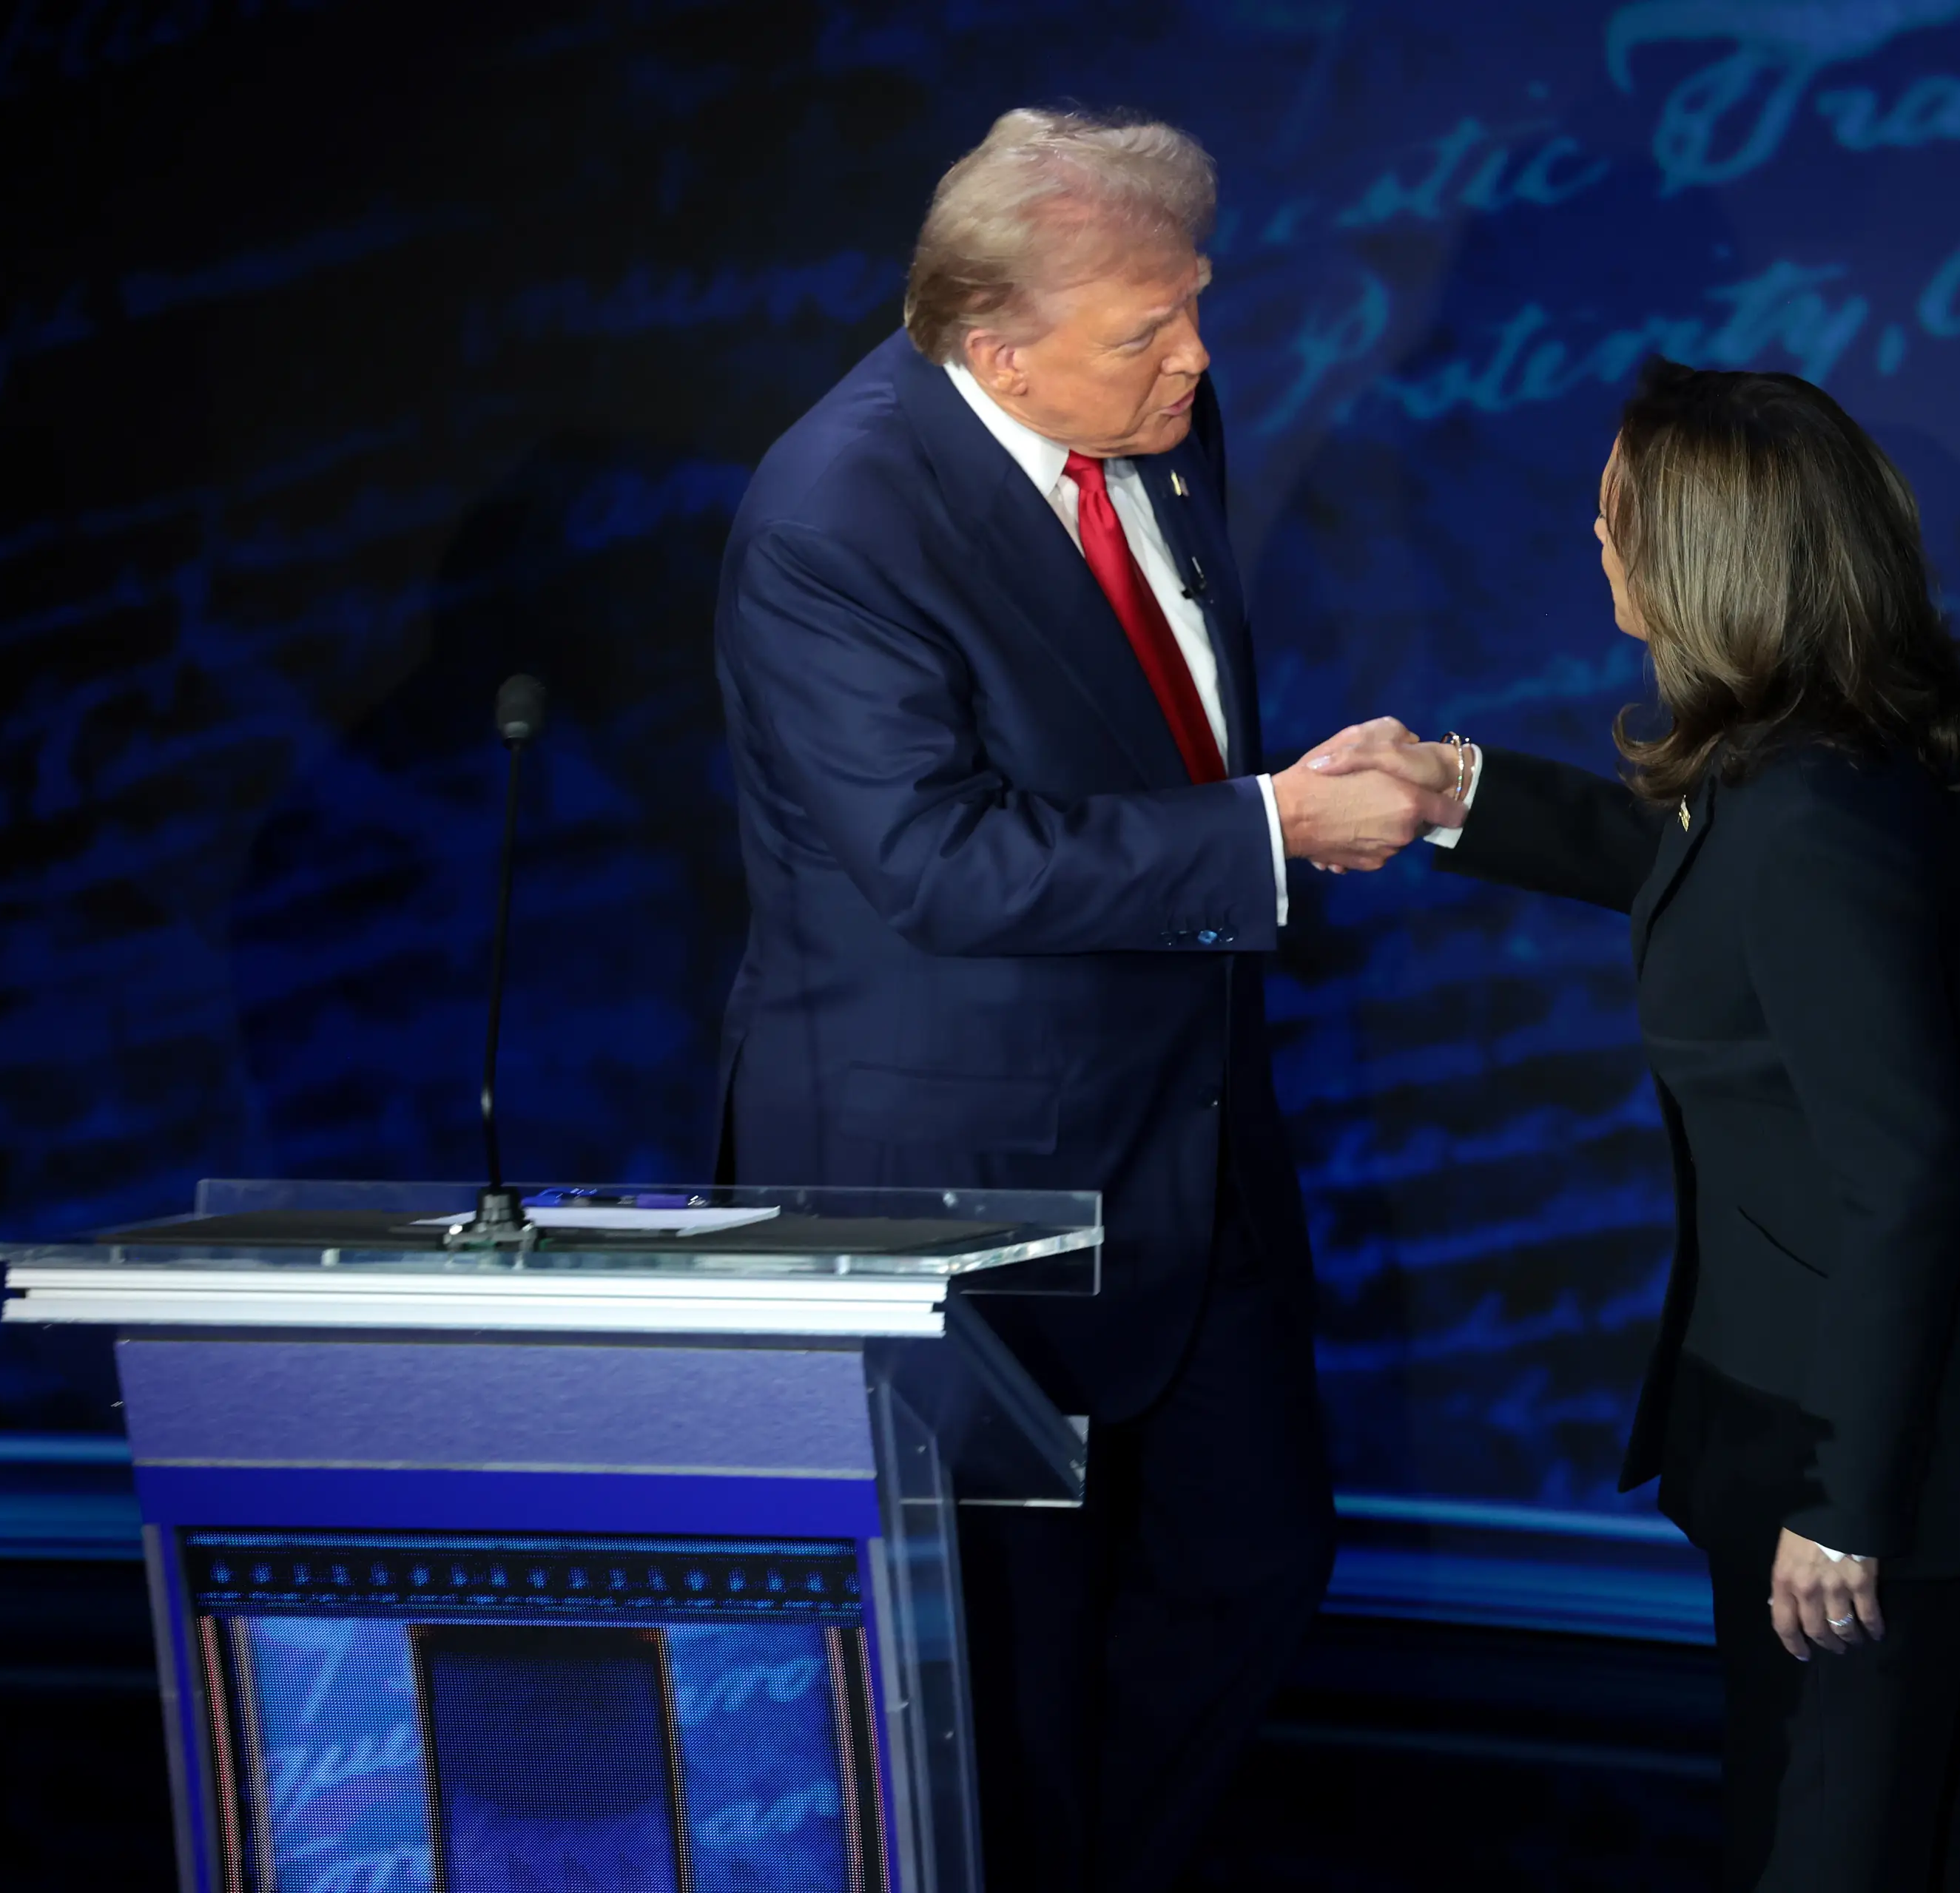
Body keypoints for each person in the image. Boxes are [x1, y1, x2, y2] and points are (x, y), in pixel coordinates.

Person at [711, 109, 1463, 1892]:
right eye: (1149, 330)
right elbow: (939, 863)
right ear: (994, 344)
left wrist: (1274, 792)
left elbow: (1139, 733)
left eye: (1194, 308)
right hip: (955, 1183)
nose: (1197, 357)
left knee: (1255, 1558)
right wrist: (1264, 831)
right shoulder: (836, 513)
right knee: (1012, 1670)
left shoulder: (1157, 423)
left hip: (1185, 1142)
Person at [1313, 361, 1960, 1891]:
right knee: (1941, 1825)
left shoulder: (1816, 819)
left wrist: (1849, 1506)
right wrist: (1461, 790)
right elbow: (1698, 862)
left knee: (1844, 1841)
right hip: (1829, 1405)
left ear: (1705, 555)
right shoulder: (1816, 747)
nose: (1592, 529)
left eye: (1617, 508)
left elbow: (1911, 1177)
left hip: (1868, 1443)